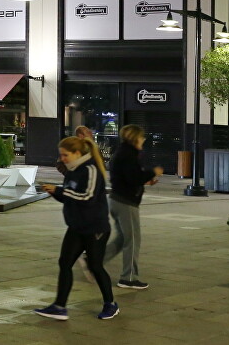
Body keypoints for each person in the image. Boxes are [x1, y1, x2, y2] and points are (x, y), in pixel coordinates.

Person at [34, 136, 119, 322]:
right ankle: (59, 306)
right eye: (61, 155)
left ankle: (110, 304)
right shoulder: (73, 170)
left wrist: (58, 191)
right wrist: (55, 193)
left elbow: (87, 197)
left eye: (65, 155)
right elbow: (70, 197)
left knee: (96, 266)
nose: (62, 158)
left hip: (95, 228)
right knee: (65, 263)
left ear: (77, 153)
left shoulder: (90, 169)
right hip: (77, 227)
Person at [104, 124, 162, 289]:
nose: (143, 140)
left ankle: (93, 261)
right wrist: (153, 172)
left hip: (117, 199)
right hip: (125, 202)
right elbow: (133, 178)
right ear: (135, 138)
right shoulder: (128, 154)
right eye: (141, 137)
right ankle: (128, 277)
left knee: (123, 238)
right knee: (133, 240)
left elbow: (129, 177)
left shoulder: (124, 153)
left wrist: (146, 180)